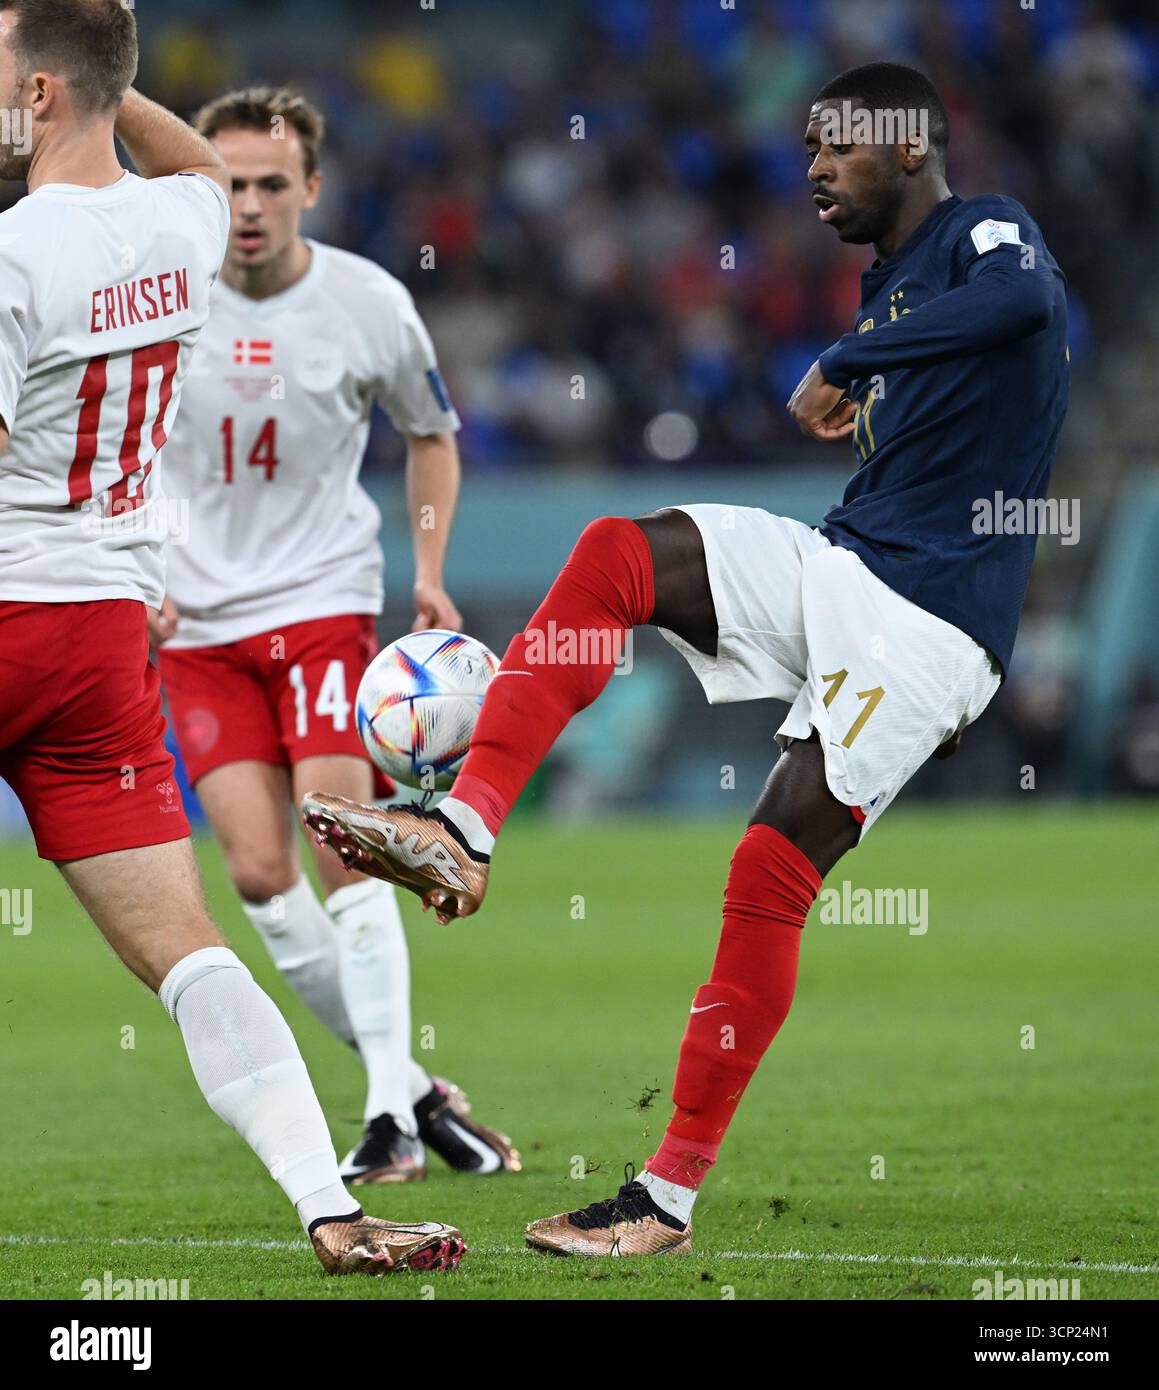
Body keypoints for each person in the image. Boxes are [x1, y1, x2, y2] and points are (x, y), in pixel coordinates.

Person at [303, 62, 1069, 1256]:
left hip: (931, 624)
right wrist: (869, 353)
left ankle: (661, 1198)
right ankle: (467, 822)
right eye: (805, 145)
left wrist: (856, 358)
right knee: (619, 551)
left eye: (839, 144)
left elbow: (1026, 312)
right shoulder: (892, 282)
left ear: (910, 146)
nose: (812, 165)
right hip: (850, 564)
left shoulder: (988, 234)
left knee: (768, 872)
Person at [0, 0, 462, 1274]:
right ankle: (331, 1202)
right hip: (100, 646)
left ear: (35, 95)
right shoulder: (184, 219)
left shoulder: (16, 252)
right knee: (194, 951)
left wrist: (70, 91)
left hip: (11, 605)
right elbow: (190, 159)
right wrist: (99, 80)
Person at [151, 85, 519, 1184]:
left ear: (310, 188)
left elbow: (430, 436)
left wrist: (434, 573)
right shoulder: (157, 302)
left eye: (271, 183)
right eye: (227, 184)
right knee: (261, 876)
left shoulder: (367, 303)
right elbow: (106, 444)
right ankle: (408, 1088)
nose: (249, 205)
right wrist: (136, 571)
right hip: (195, 622)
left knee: (338, 838)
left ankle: (385, 1123)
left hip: (319, 598)